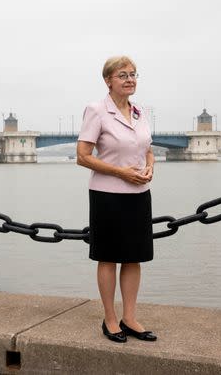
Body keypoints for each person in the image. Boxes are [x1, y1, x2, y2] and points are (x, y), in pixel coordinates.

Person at [77, 56, 157, 343]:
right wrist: (121, 173)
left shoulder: (139, 111)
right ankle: (110, 319)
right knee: (109, 257)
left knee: (134, 258)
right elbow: (82, 157)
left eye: (134, 74)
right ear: (108, 80)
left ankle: (130, 317)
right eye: (122, 75)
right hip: (107, 195)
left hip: (139, 194)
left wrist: (150, 165)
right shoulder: (96, 111)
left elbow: (146, 148)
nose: (130, 79)